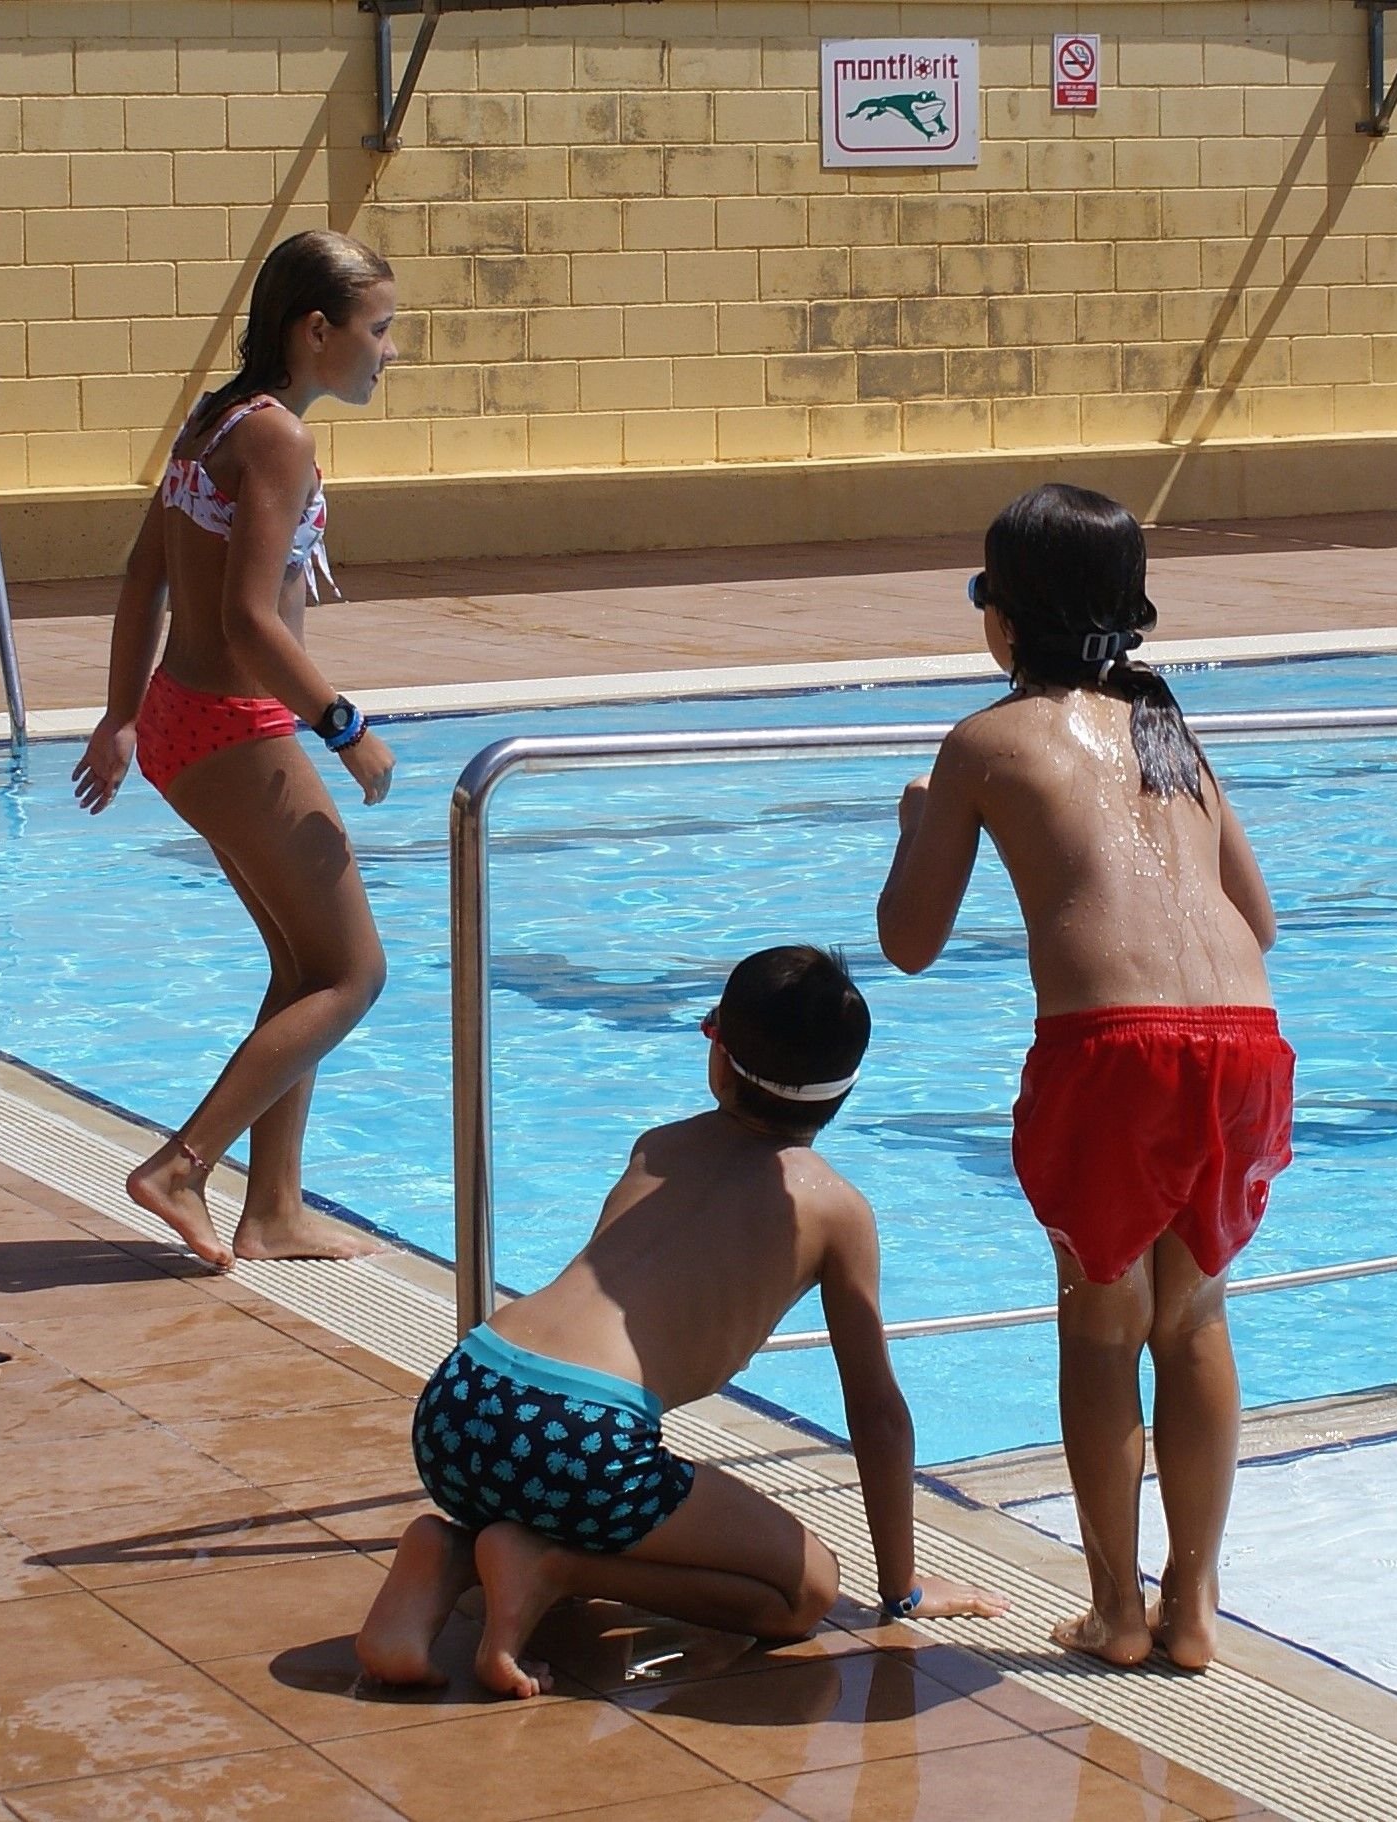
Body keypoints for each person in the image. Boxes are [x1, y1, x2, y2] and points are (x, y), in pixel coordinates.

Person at [876, 484, 1294, 1673]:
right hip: (1244, 1038)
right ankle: (1195, 1605)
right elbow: (1255, 919)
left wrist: (919, 823)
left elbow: (908, 941)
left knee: (1103, 1325)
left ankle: (1116, 1610)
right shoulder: (1170, 729)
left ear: (1004, 617)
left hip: (1114, 1049)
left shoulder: (984, 742)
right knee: (1194, 1313)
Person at [354, 945, 1005, 1699]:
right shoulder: (834, 1209)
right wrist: (902, 1589)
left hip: (463, 1395)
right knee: (806, 1594)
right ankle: (546, 1566)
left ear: (715, 1049)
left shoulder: (657, 1148)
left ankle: (443, 1558)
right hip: (581, 1437)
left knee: (546, 1487)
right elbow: (876, 1412)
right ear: (846, 1089)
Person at [70, 229, 401, 1270]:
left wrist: (122, 714)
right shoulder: (277, 441)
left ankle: (273, 1210)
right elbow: (255, 621)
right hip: (233, 722)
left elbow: (138, 577)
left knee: (302, 966)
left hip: (178, 715)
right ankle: (182, 1165)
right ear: (317, 330)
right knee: (352, 974)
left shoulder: (217, 417)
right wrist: (347, 730)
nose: (391, 352)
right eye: (379, 329)